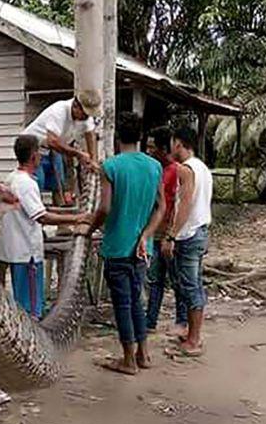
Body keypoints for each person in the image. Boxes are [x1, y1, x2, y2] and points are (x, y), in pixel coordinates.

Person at [86, 112, 166, 375]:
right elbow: (160, 208)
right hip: (143, 248)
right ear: (141, 137)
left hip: (117, 246)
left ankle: (128, 359)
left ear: (118, 137)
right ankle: (143, 354)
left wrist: (90, 229)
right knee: (136, 300)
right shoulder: (154, 166)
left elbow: (105, 208)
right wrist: (146, 235)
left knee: (122, 303)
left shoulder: (111, 166)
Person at [0, 135, 91, 318]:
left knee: (22, 303)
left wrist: (69, 215)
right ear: (33, 156)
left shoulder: (12, 178)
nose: (41, 157)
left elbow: (38, 210)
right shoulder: (26, 183)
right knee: (31, 309)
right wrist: (77, 218)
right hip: (27, 253)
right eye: (39, 154)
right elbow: (42, 217)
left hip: (14, 250)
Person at [162, 126, 213, 357]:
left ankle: (194, 339)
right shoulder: (202, 167)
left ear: (179, 144)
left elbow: (186, 204)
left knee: (191, 286)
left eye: (172, 143)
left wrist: (171, 235)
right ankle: (191, 332)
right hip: (200, 230)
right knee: (191, 284)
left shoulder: (186, 169)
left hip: (189, 234)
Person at [145, 128, 188, 335]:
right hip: (155, 232)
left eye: (152, 147)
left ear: (163, 149)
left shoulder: (175, 171)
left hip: (168, 234)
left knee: (175, 279)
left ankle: (182, 320)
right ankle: (150, 320)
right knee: (155, 280)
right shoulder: (154, 169)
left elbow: (175, 205)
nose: (148, 150)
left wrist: (170, 234)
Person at [23, 93, 101, 203]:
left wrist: (93, 160)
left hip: (53, 149)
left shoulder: (85, 117)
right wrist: (78, 154)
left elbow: (90, 134)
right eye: (84, 114)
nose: (86, 117)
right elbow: (52, 141)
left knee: (59, 184)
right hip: (33, 148)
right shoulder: (59, 111)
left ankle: (59, 211)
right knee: (37, 183)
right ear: (75, 106)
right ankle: (37, 213)